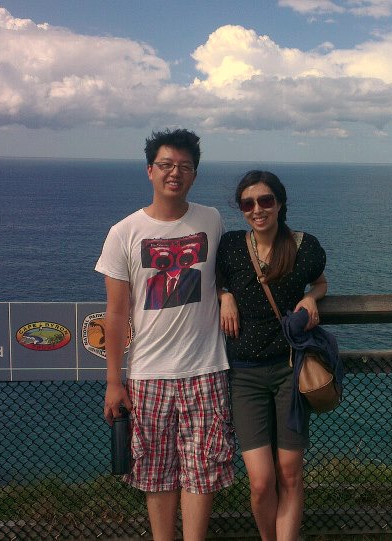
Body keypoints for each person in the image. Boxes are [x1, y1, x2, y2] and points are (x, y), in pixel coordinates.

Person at [96, 128, 234, 541]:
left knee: (203, 471)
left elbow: (227, 273)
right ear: (150, 171)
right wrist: (114, 381)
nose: (175, 173)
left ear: (195, 174)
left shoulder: (212, 220)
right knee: (155, 473)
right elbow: (116, 313)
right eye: (166, 165)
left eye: (185, 166)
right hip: (148, 374)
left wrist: (226, 294)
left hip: (205, 369)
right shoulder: (124, 232)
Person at [216, 170, 328, 540]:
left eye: (265, 200)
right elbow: (215, 280)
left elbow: (321, 281)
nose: (257, 209)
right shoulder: (231, 246)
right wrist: (224, 296)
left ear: (279, 203)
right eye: (248, 203)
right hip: (245, 376)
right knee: (261, 481)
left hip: (289, 371)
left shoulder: (303, 247)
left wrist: (311, 297)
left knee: (290, 473)